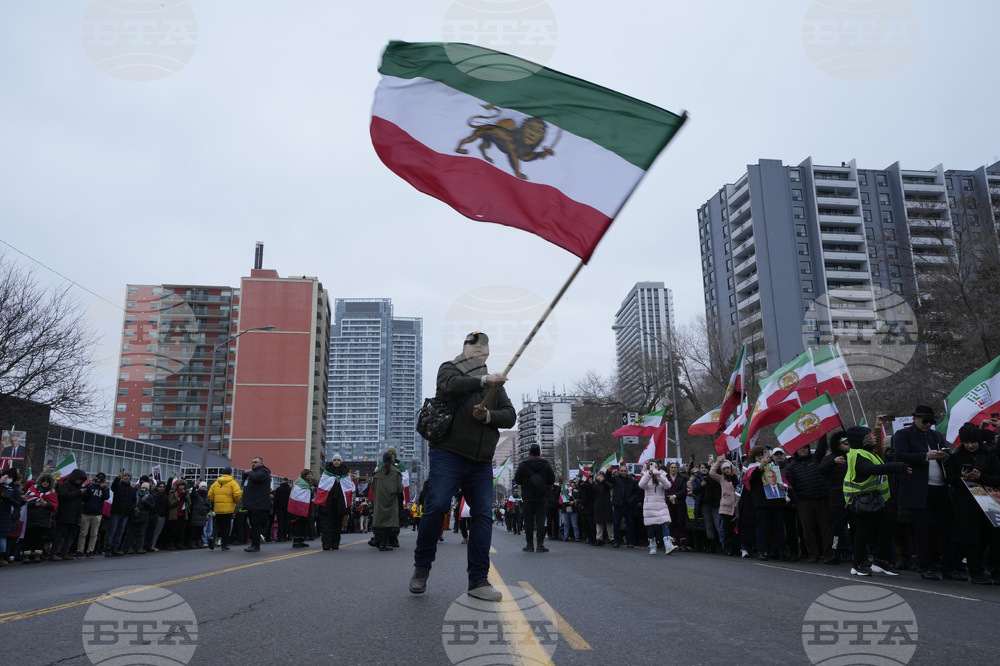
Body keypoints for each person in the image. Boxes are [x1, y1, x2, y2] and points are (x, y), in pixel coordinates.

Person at [410, 331, 516, 601]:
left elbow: (510, 415)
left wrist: (488, 415)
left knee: (483, 515)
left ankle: (478, 580)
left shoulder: (497, 386)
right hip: (448, 453)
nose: (479, 349)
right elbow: (452, 385)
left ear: (488, 354)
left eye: (484, 347)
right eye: (474, 344)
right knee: (436, 505)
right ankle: (421, 568)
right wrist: (482, 380)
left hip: (481, 462)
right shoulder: (450, 368)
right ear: (465, 348)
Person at [894, 405, 966, 581]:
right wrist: (926, 456)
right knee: (923, 530)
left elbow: (946, 453)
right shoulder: (904, 435)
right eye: (924, 421)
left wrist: (946, 456)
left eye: (931, 422)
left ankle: (948, 568)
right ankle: (925, 566)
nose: (928, 424)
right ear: (915, 419)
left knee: (946, 530)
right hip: (920, 489)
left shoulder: (935, 435)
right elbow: (900, 455)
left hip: (940, 486)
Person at [843, 425, 911, 577]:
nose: (873, 437)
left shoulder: (867, 452)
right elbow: (871, 470)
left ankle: (880, 561)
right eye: (870, 435)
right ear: (862, 440)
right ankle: (857, 564)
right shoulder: (858, 455)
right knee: (864, 532)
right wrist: (897, 466)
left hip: (876, 499)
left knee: (888, 528)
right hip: (861, 501)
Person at [945, 423, 1000, 584]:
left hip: (990, 502)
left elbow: (997, 479)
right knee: (972, 540)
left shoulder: (991, 456)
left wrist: (980, 476)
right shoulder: (956, 458)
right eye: (966, 442)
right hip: (967, 505)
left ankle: (997, 572)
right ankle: (976, 573)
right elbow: (950, 479)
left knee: (995, 539)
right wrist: (963, 477)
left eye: (973, 442)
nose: (970, 446)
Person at [784, 438, 834, 563]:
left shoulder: (816, 459)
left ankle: (827, 553)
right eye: (801, 448)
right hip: (804, 502)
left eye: (805, 447)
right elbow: (790, 487)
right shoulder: (791, 467)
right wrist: (797, 502)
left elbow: (822, 446)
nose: (803, 449)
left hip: (822, 498)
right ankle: (813, 554)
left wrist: (822, 432)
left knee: (826, 528)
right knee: (808, 529)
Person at [513, 443, 555, 553]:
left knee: (528, 520)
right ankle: (540, 544)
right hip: (542, 496)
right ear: (539, 452)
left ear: (530, 452)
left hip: (528, 497)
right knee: (541, 519)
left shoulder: (523, 465)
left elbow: (517, 480)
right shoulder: (546, 465)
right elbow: (551, 480)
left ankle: (529, 544)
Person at [639, 461, 677, 555]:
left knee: (665, 523)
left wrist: (659, 476)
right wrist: (649, 474)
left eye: (656, 466)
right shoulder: (645, 475)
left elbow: (668, 486)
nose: (654, 468)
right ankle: (652, 545)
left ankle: (668, 545)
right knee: (650, 525)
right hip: (649, 506)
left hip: (661, 504)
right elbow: (641, 485)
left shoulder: (662, 475)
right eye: (652, 466)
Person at [52, 468, 87, 560]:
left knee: (71, 536)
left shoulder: (80, 487)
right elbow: (64, 496)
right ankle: (54, 553)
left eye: (82, 480)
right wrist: (79, 492)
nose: (80, 481)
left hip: (75, 516)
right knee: (60, 535)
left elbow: (85, 499)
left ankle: (64, 552)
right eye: (79, 479)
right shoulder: (64, 485)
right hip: (65, 515)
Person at [372, 451, 404, 551]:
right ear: (391, 460)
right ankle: (386, 542)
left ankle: (381, 542)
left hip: (380, 500)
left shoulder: (377, 473)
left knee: (381, 522)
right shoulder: (396, 472)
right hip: (391, 500)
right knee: (389, 522)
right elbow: (400, 489)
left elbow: (373, 488)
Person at [23, 474, 58, 563]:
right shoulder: (32, 490)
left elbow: (54, 506)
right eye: (43, 481)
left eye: (47, 481)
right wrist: (35, 504)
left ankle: (37, 555)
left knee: (39, 537)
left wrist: (46, 505)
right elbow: (25, 503)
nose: (45, 483)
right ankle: (26, 555)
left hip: (44, 519)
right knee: (29, 537)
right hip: (31, 518)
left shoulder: (51, 493)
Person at [319, 455, 352, 550]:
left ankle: (335, 542)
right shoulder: (326, 473)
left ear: (341, 462)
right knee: (326, 524)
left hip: (339, 504)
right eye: (334, 460)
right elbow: (322, 487)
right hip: (327, 503)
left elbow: (348, 488)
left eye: (338, 460)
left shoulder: (345, 474)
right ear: (332, 461)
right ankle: (326, 543)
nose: (336, 462)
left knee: (337, 524)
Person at [709, 458, 739, 555]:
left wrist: (728, 461)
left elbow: (735, 469)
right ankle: (727, 548)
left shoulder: (736, 477)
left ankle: (736, 548)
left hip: (736, 507)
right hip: (726, 507)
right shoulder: (721, 478)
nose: (727, 470)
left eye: (728, 468)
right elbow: (712, 472)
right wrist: (718, 462)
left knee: (736, 528)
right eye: (724, 469)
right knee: (727, 529)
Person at [208, 467, 242, 551]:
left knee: (218, 524)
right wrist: (234, 501)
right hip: (228, 508)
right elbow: (237, 494)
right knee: (226, 526)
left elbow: (210, 494)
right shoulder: (233, 482)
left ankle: (213, 536)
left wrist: (216, 500)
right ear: (230, 473)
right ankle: (224, 545)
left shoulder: (216, 482)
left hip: (218, 508)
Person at [243, 457, 272, 553]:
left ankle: (255, 545)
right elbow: (245, 483)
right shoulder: (253, 474)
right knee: (253, 525)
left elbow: (257, 477)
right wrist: (245, 475)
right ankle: (254, 544)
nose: (253, 464)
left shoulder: (264, 471)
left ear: (261, 463)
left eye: (255, 462)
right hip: (253, 504)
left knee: (256, 525)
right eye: (252, 462)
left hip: (258, 504)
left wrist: (249, 472)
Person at [106, 471, 135, 557]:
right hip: (116, 512)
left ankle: (115, 548)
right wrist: (118, 477)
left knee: (120, 532)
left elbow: (134, 501)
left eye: (128, 476)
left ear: (130, 478)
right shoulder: (118, 486)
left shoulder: (131, 490)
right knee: (112, 531)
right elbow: (113, 487)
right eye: (125, 476)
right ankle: (108, 548)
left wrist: (130, 510)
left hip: (125, 514)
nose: (126, 477)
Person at [610, 463, 638, 548]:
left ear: (627, 472)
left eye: (625, 471)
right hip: (618, 505)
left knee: (629, 524)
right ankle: (616, 541)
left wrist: (631, 500)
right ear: (619, 471)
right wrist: (608, 472)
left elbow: (636, 493)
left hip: (628, 505)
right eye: (621, 471)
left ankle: (630, 542)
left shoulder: (632, 481)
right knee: (616, 524)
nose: (623, 472)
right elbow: (608, 479)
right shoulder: (615, 479)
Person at [0, 468, 24, 565]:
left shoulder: (13, 489)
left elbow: (18, 503)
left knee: (2, 538)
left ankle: (1, 557)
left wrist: (10, 499)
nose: (7, 479)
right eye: (6, 476)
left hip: (5, 515)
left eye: (10, 477)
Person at [591, 471, 614, 545]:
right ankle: (599, 538)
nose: (599, 477)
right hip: (598, 505)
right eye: (598, 475)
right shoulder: (595, 485)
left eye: (601, 475)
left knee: (609, 523)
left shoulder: (606, 484)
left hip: (606, 504)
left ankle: (612, 538)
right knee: (599, 523)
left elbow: (609, 487)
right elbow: (592, 493)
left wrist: (603, 481)